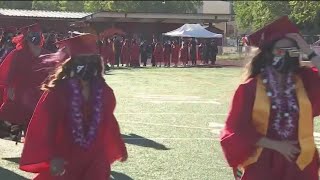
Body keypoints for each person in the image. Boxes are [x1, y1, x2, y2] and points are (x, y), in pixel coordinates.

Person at [220, 16, 320, 180]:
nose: (286, 55)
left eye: (291, 51)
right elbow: (238, 129)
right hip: (263, 160)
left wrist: (307, 50)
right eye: (280, 51)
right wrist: (277, 146)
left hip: (301, 160)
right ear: (267, 55)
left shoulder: (305, 81)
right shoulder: (250, 88)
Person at [19, 33, 128, 180]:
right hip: (67, 154)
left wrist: (118, 146)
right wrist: (52, 156)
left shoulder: (105, 92)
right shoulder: (59, 91)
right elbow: (46, 126)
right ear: (72, 64)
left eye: (90, 61)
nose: (86, 66)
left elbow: (108, 121)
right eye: (82, 61)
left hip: (95, 156)